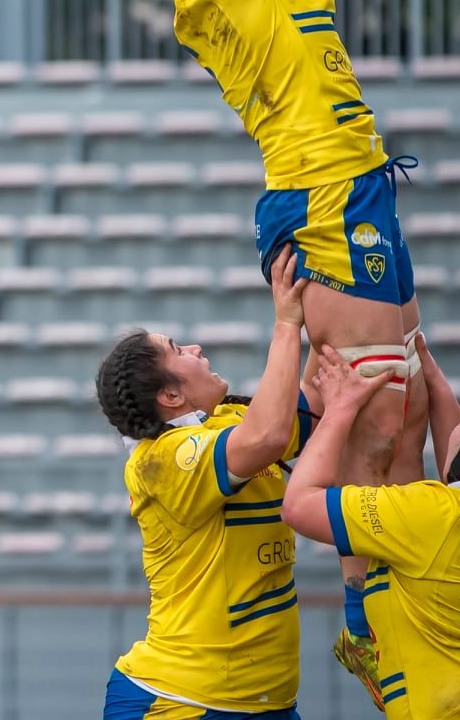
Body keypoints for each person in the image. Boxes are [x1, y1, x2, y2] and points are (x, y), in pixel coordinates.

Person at [169, 0, 429, 692]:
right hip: (325, 200)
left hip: (353, 189)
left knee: (396, 418)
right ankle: (383, 625)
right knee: (386, 412)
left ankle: (389, 621)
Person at [92, 248, 312, 719]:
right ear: (170, 395)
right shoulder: (164, 459)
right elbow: (271, 434)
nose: (194, 349)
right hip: (179, 701)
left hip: (266, 703)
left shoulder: (232, 422)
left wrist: (323, 297)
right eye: (178, 349)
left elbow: (308, 402)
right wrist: (287, 322)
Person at [283, 342, 460, 719]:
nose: (452, 431)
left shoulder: (434, 516)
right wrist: (428, 372)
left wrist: (340, 409)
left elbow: (299, 505)